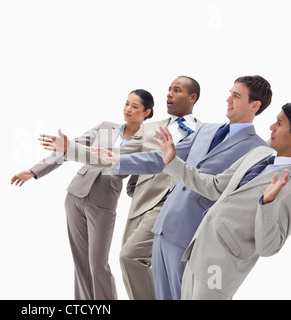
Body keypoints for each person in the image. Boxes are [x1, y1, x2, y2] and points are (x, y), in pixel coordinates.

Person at [91, 75, 272, 299]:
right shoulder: (206, 131)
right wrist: (119, 160)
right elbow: (163, 159)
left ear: (254, 105)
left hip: (193, 236)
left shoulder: (257, 150)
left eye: (236, 96)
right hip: (164, 226)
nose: (228, 99)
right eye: (230, 93)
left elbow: (230, 197)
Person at [39, 76, 204, 300]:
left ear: (192, 97)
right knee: (127, 260)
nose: (169, 94)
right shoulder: (148, 130)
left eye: (176, 90)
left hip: (183, 203)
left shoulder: (206, 133)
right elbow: (114, 157)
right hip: (146, 204)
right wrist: (69, 150)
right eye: (168, 89)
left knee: (172, 268)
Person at [11, 89, 154, 300]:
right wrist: (34, 171)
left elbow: (137, 182)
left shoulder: (145, 143)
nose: (128, 110)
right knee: (81, 262)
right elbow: (70, 148)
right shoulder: (106, 127)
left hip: (104, 202)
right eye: (126, 104)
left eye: (134, 106)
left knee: (98, 264)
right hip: (75, 195)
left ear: (147, 112)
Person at [153, 103, 291, 299]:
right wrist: (173, 162)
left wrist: (267, 204)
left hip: (220, 267)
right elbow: (216, 186)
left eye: (279, 123)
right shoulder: (259, 154)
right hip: (197, 250)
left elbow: (268, 247)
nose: (271, 127)